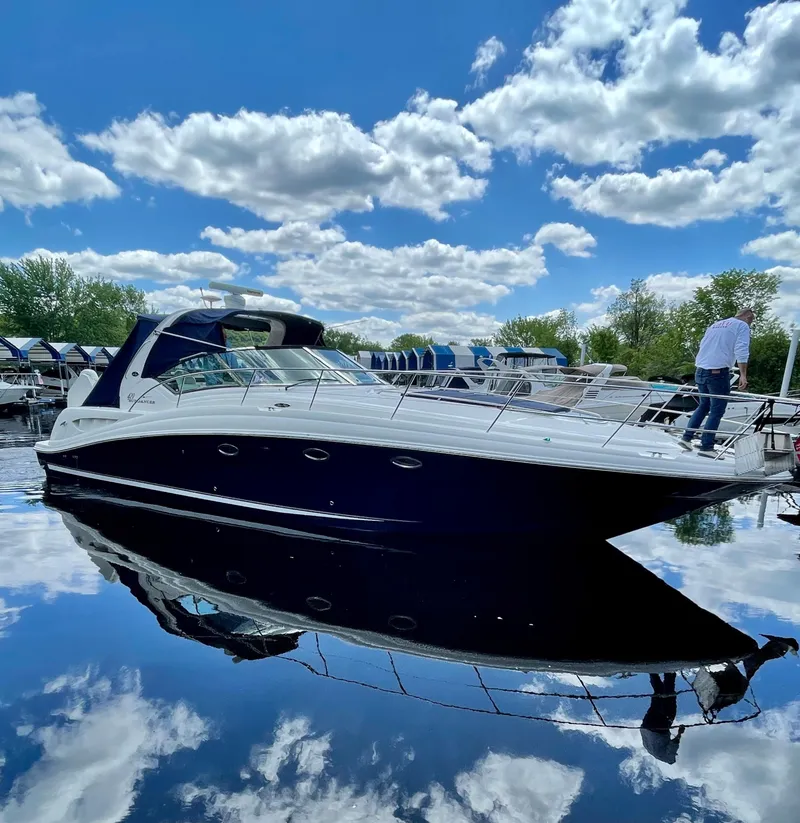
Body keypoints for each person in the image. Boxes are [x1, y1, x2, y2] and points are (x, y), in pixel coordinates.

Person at [680, 308, 754, 456]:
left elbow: (704, 345)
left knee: (703, 405)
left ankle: (687, 437)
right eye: (752, 320)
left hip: (700, 370)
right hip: (718, 372)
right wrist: (743, 375)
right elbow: (741, 350)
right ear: (747, 316)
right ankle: (706, 447)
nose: (751, 323)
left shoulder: (716, 325)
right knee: (717, 410)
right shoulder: (742, 326)